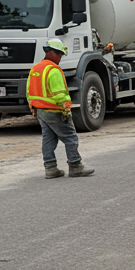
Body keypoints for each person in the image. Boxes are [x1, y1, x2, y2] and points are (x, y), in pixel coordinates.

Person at [28, 38, 93, 178]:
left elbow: (29, 92)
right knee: (70, 137)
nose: (60, 58)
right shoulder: (53, 70)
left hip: (40, 111)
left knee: (48, 139)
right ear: (52, 53)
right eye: (60, 54)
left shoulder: (35, 69)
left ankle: (50, 169)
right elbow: (60, 95)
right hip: (54, 111)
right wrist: (66, 110)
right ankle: (76, 166)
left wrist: (34, 108)